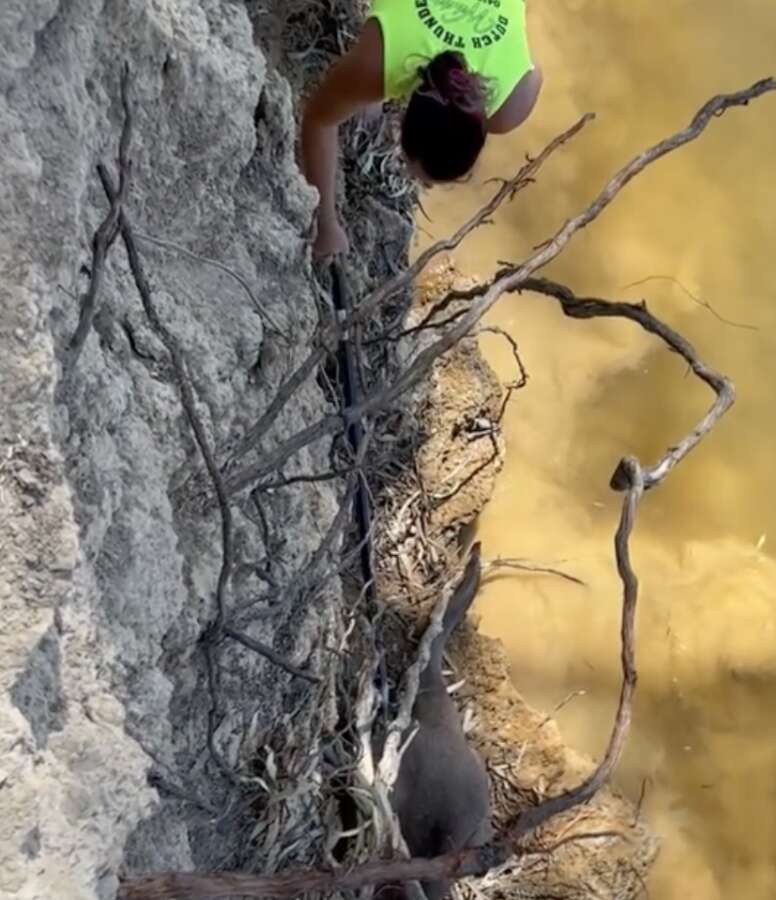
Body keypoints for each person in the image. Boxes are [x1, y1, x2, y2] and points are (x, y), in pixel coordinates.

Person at [301, 0, 543, 257]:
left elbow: (535, 72)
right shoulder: (373, 64)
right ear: (404, 116)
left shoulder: (512, 102)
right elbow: (318, 120)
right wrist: (325, 224)